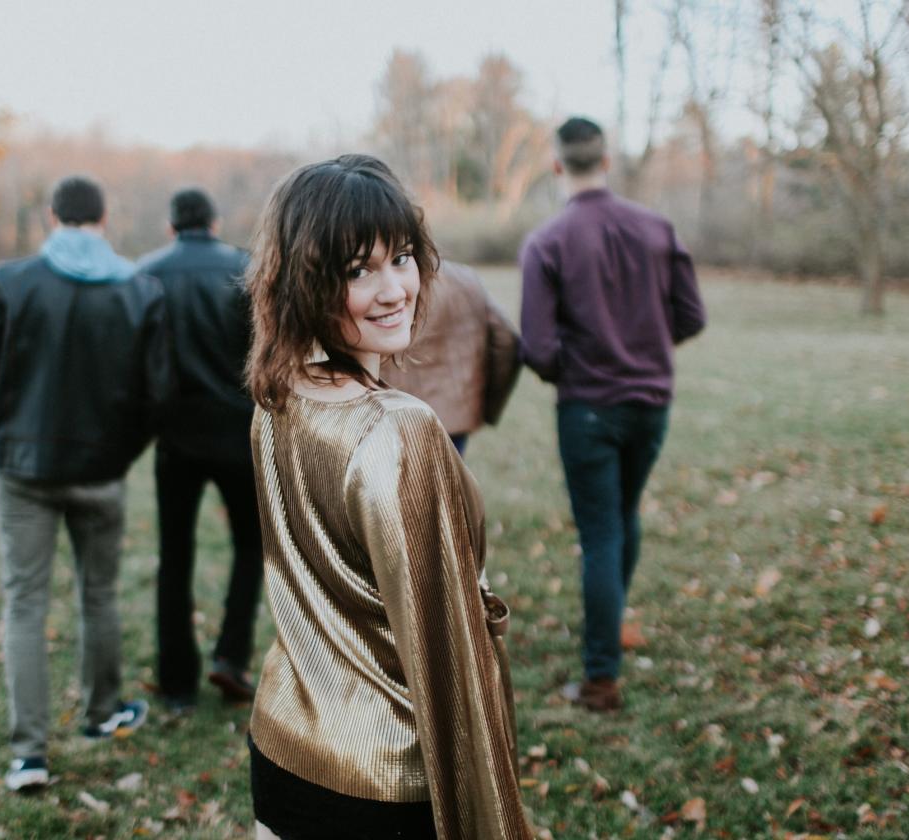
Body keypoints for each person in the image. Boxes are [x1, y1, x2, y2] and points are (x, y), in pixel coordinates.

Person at [243, 155, 532, 840]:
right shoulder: (399, 431)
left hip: (284, 744)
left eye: (401, 257)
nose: (395, 288)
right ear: (307, 284)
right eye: (356, 270)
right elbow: (448, 652)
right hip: (382, 780)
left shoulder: (278, 395)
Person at [0, 175, 166, 791]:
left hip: (24, 469)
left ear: (53, 217)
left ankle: (29, 754)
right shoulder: (139, 289)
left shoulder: (12, 281)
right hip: (99, 471)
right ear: (102, 218)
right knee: (97, 594)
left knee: (24, 602)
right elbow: (157, 397)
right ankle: (100, 714)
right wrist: (119, 456)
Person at [519, 117, 706, 713]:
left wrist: (580, 368)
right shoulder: (655, 227)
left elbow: (539, 349)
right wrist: (645, 348)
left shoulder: (547, 241)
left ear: (557, 166)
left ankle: (601, 677)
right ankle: (611, 630)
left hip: (589, 408)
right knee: (621, 516)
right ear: (607, 160)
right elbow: (692, 316)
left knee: (603, 530)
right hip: (651, 404)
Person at [132, 188, 262, 710]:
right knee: (252, 546)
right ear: (214, 221)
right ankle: (230, 656)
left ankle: (177, 679)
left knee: (175, 555)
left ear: (171, 225)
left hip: (176, 437)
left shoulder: (145, 273)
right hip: (238, 432)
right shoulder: (243, 268)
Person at [381, 260, 521, 453]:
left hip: (392, 416)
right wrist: (488, 406)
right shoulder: (464, 278)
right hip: (453, 419)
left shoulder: (380, 283)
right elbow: (506, 339)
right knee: (449, 480)